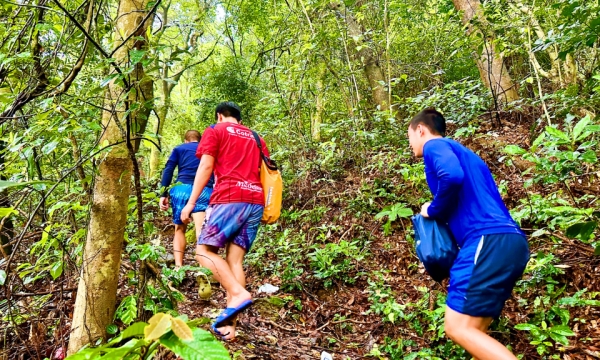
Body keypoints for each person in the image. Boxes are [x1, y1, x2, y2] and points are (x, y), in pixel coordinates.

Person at [407, 109, 530, 360]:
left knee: (457, 327)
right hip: (509, 242)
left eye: (409, 136)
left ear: (420, 130)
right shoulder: (467, 155)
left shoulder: (434, 146)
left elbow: (451, 176)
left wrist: (432, 208)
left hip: (487, 241)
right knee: (474, 332)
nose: (410, 144)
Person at [180, 101, 268, 340]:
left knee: (202, 252)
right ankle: (229, 326)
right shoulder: (256, 137)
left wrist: (191, 202)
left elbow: (206, 165)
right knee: (235, 261)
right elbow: (264, 170)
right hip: (255, 200)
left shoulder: (215, 130)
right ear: (238, 118)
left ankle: (238, 294)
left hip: (229, 198)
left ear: (220, 116)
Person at [159, 130, 214, 269]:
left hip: (181, 189)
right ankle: (203, 268)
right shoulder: (208, 149)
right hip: (203, 189)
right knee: (200, 229)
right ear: (200, 140)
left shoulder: (179, 149)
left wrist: (163, 194)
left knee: (179, 229)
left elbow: (168, 169)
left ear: (186, 140)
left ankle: (178, 267)